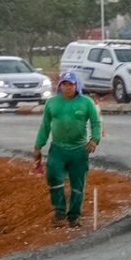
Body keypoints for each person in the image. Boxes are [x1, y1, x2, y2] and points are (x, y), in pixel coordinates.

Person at [34, 69, 102, 227]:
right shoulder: (52, 103)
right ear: (60, 86)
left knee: (77, 183)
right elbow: (45, 126)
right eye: (65, 84)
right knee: (54, 177)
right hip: (57, 149)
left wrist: (94, 140)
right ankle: (59, 213)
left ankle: (74, 216)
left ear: (76, 85)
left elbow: (96, 123)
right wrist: (38, 145)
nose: (68, 87)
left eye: (71, 84)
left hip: (79, 150)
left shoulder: (86, 102)